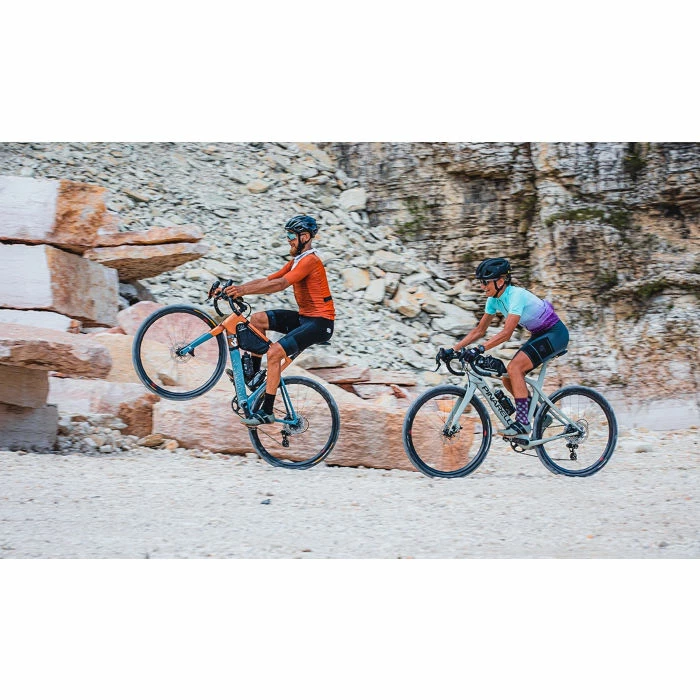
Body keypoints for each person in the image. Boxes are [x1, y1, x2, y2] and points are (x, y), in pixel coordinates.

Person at [223, 214, 335, 426]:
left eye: (291, 235)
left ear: (305, 237)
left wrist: (243, 291)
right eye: (287, 235)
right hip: (305, 318)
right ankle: (253, 376)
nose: (288, 239)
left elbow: (280, 285)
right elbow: (268, 279)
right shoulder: (297, 261)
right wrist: (236, 289)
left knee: (274, 353)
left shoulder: (310, 261)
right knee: (257, 319)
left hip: (320, 323)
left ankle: (267, 412)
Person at [440, 257, 569, 437]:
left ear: (500, 281)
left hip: (556, 334)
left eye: (485, 282)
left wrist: (479, 349)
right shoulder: (493, 300)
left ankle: (523, 423)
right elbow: (479, 330)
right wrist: (453, 350)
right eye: (481, 282)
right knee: (508, 376)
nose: (482, 286)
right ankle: (540, 415)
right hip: (540, 335)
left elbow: (507, 333)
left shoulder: (516, 295)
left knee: (515, 368)